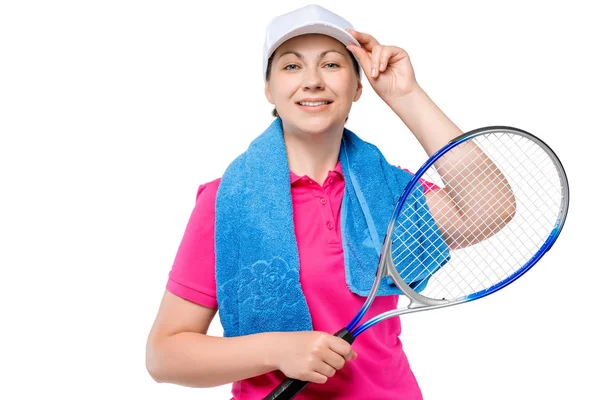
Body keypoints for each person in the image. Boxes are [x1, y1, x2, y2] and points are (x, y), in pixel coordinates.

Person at [145, 4, 514, 399]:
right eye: (291, 66)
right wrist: (277, 349)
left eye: (332, 65)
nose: (312, 81)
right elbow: (165, 355)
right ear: (269, 88)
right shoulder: (227, 202)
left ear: (358, 86)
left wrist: (405, 95)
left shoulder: (392, 194)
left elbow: (492, 207)